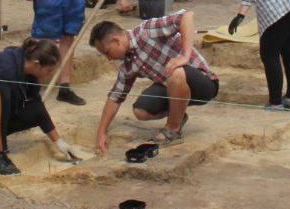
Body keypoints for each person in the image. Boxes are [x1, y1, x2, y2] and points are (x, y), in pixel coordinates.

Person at [0, 38, 83, 175]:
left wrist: (58, 141)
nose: (49, 74)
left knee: (35, 108)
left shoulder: (30, 74)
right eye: (48, 70)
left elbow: (38, 107)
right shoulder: (4, 67)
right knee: (0, 90)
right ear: (37, 64)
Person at [91, 9, 219, 152]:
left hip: (204, 84)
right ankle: (178, 116)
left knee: (175, 73)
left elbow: (186, 16)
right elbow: (115, 97)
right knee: (141, 111)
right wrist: (101, 132)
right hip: (173, 85)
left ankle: (173, 130)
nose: (108, 58)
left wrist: (185, 56)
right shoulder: (127, 65)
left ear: (116, 41)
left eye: (107, 52)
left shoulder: (147, 31)